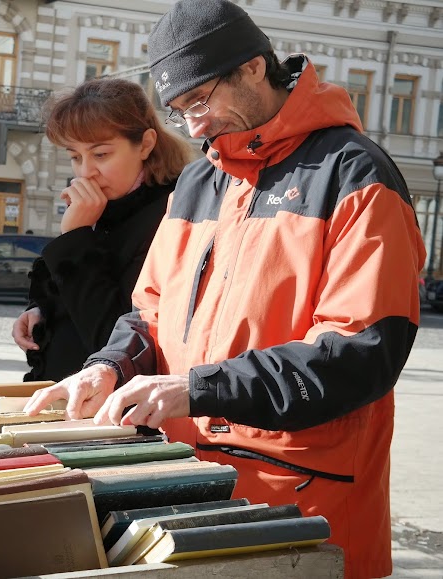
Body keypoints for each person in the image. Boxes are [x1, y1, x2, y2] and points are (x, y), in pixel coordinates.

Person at [24, 2, 425, 577]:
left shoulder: (356, 174)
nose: (193, 126)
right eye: (179, 109)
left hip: (309, 498)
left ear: (254, 68)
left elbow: (359, 353)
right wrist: (109, 365)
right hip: (195, 483)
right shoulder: (200, 179)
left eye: (201, 101)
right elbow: (150, 312)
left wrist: (197, 389)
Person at [11, 77, 192, 382]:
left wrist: (74, 238)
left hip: (112, 410)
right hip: (62, 395)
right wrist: (41, 310)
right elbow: (66, 292)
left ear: (145, 144)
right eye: (74, 156)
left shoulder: (170, 214)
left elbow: (116, 336)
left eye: (101, 154)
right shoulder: (100, 207)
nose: (86, 171)